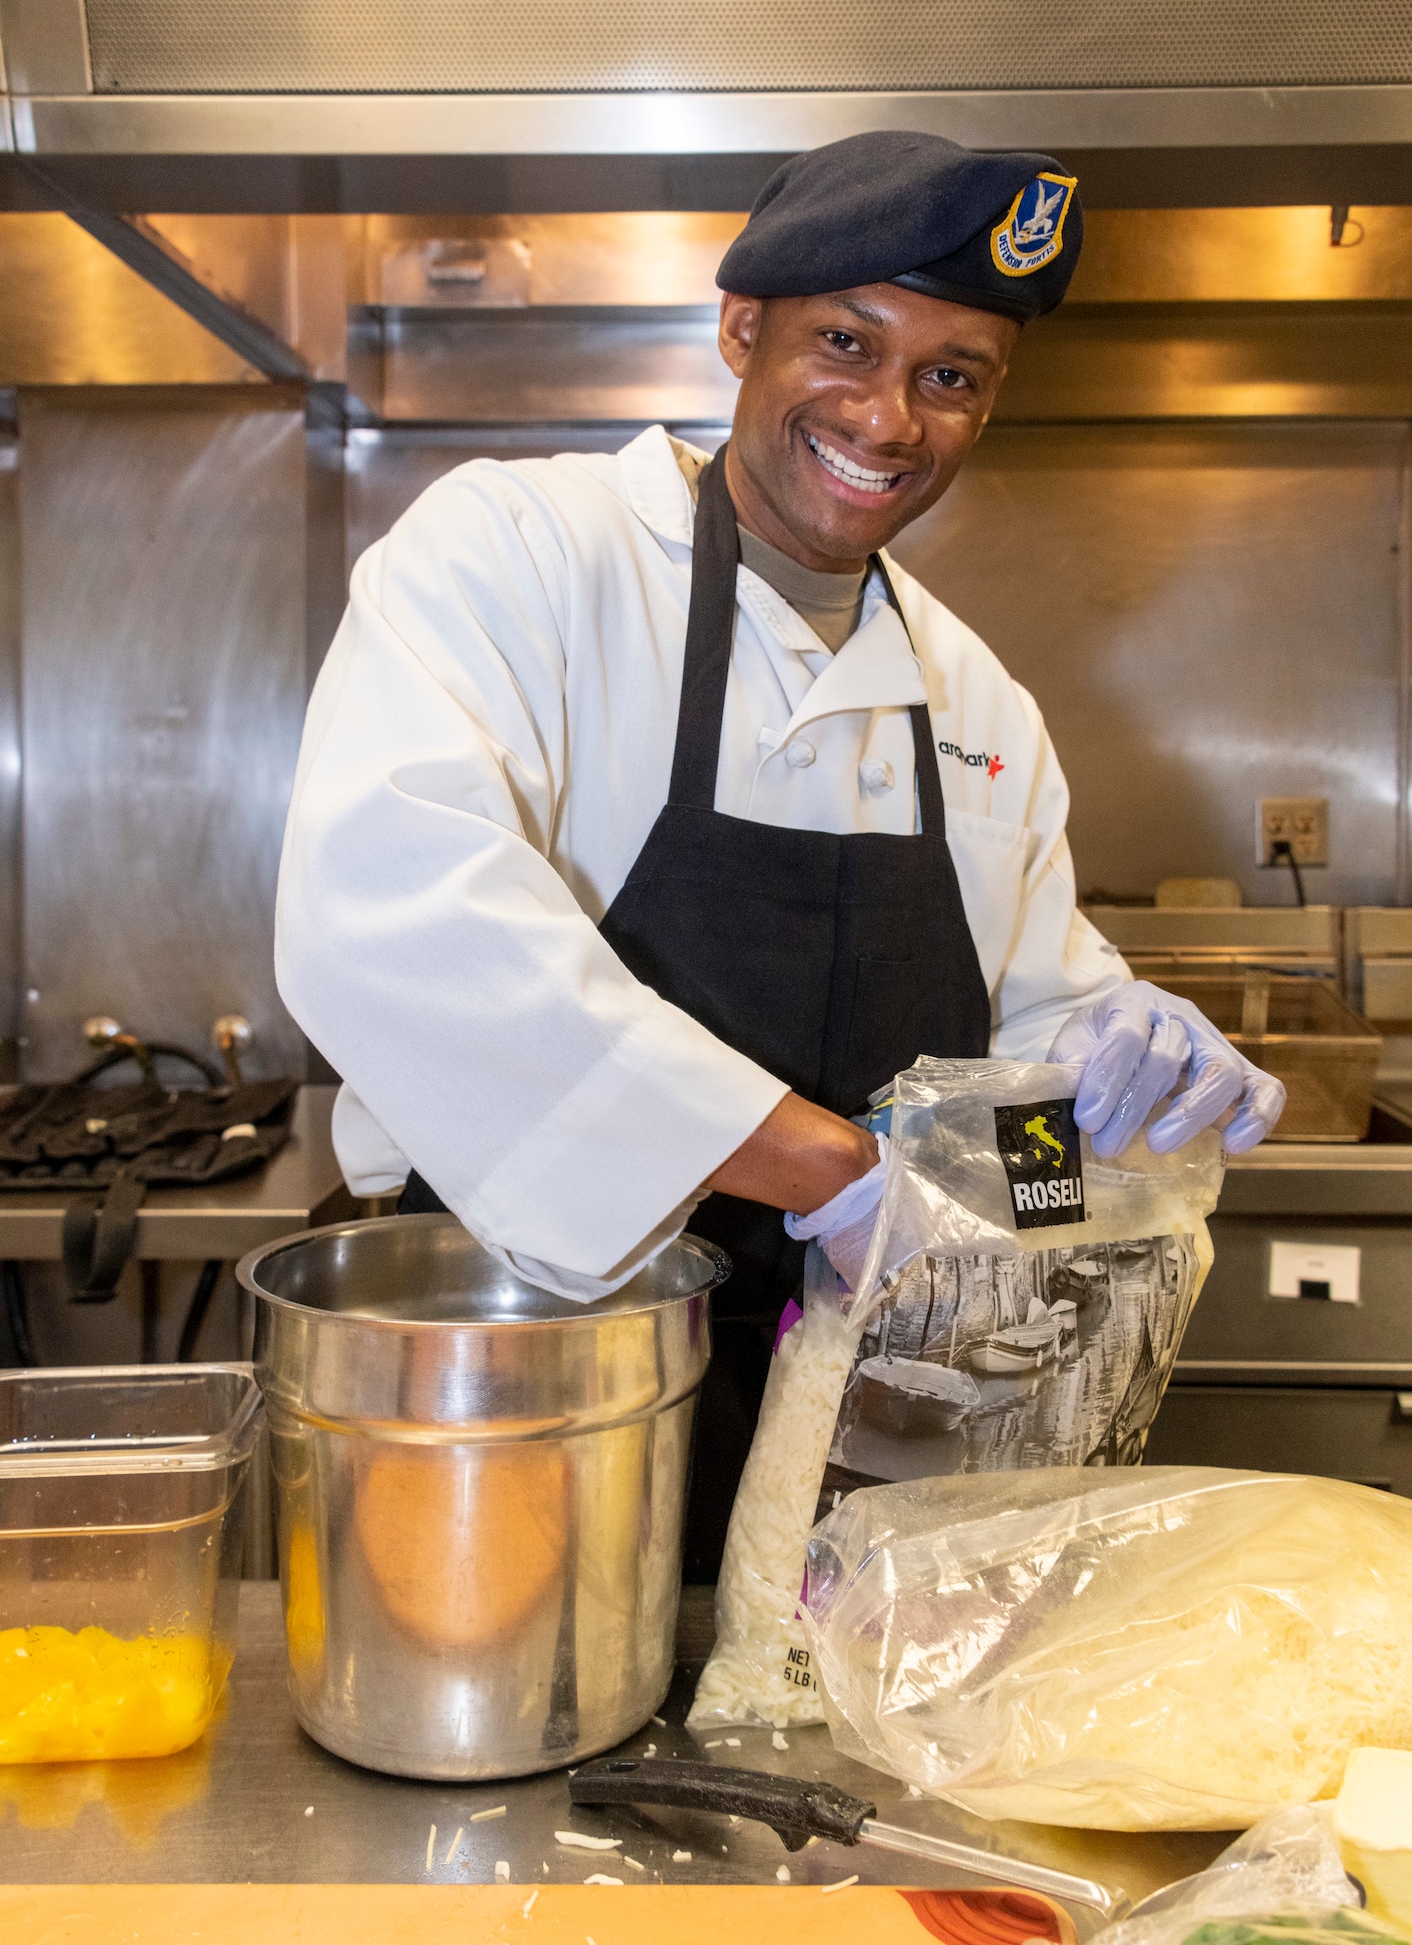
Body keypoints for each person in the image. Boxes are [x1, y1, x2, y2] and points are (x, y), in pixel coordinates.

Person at [276, 132, 1284, 1578]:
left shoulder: (979, 703)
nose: (890, 417)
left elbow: (1009, 1099)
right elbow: (394, 917)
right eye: (845, 343)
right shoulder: (520, 556)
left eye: (952, 377)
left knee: (820, 1757)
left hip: (868, 1419)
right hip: (531, 1367)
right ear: (741, 328)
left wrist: (1116, 1123)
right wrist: (830, 1172)